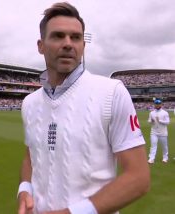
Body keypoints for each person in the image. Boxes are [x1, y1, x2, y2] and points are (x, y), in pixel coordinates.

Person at [17, 2, 150, 214]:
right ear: (41, 45)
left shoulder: (111, 92)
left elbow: (138, 177)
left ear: (83, 45)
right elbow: (31, 155)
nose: (68, 44)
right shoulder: (29, 103)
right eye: (58, 36)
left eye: (75, 37)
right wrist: (24, 189)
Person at [147, 98, 170, 164]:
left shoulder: (165, 113)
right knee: (153, 145)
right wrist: (151, 121)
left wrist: (160, 120)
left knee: (164, 146)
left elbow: (167, 122)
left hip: (163, 132)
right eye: (156, 104)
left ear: (161, 104)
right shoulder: (151, 113)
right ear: (154, 104)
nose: (157, 105)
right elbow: (149, 121)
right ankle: (151, 158)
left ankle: (165, 158)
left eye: (158, 104)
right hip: (154, 132)